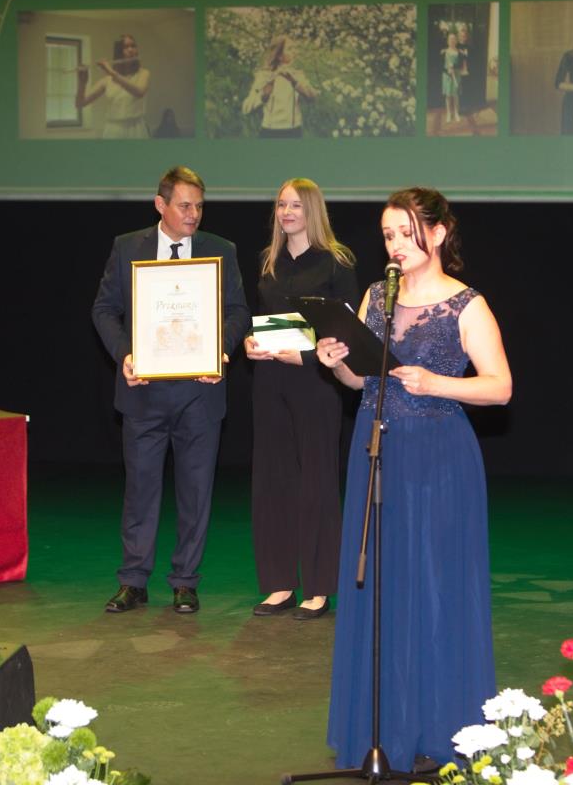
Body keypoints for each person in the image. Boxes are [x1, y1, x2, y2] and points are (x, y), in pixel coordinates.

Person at [319, 187, 512, 771]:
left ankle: (439, 728)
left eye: (406, 233)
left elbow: (500, 387)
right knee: (380, 585)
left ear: (439, 233)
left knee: (434, 588)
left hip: (438, 457)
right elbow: (362, 382)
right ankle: (385, 728)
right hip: (376, 449)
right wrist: (338, 362)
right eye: (388, 235)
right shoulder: (375, 296)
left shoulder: (466, 304)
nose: (396, 245)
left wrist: (437, 383)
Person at [91, 166, 250, 614]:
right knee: (140, 491)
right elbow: (104, 309)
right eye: (184, 205)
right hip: (143, 392)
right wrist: (125, 354)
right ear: (160, 205)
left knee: (195, 491)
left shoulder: (221, 250)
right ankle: (133, 581)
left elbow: (238, 311)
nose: (193, 214)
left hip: (200, 392)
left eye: (199, 206)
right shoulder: (128, 247)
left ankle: (185, 581)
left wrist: (220, 349)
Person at [244, 178, 359, 619]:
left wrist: (306, 355)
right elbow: (263, 320)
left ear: (312, 210)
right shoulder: (268, 261)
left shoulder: (336, 262)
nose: (287, 212)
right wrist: (252, 343)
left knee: (317, 481)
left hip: (316, 381)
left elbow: (347, 331)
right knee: (272, 480)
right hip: (269, 381)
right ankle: (279, 585)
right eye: (281, 205)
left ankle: (318, 587)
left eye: (295, 205)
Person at [76, 34, 151, 139]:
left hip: (136, 128)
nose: (130, 50)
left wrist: (111, 72)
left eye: (133, 46)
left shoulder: (143, 73)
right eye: (125, 47)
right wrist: (82, 83)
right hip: (113, 130)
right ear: (118, 53)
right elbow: (80, 103)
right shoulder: (107, 80)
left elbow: (139, 92)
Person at [241, 36, 317, 138]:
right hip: (270, 133)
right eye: (289, 49)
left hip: (294, 132)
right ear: (279, 55)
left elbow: (312, 97)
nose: (294, 52)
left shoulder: (297, 75)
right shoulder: (264, 76)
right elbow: (246, 108)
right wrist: (263, 96)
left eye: (294, 48)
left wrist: (295, 83)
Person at [441, 32, 462, 124]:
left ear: (456, 41)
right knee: (448, 95)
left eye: (454, 39)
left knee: (456, 95)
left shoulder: (459, 52)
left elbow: (461, 65)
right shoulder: (443, 52)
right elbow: (440, 65)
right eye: (450, 39)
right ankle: (449, 113)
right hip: (447, 76)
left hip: (456, 75)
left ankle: (456, 113)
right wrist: (447, 69)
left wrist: (454, 67)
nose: (452, 41)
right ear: (448, 41)